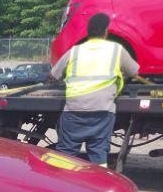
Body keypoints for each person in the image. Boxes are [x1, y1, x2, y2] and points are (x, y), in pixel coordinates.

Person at [51, 13, 139, 167]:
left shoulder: (75, 51)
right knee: (98, 153)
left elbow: (54, 75)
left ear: (88, 32)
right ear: (106, 31)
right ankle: (98, 185)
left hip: (74, 110)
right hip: (102, 111)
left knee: (66, 154)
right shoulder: (116, 50)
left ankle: (62, 186)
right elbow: (134, 72)